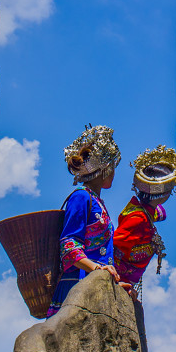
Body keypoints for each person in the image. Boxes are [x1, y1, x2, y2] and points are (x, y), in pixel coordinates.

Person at [48, 124, 122, 317]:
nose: (114, 173)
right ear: (105, 169)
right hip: (77, 285)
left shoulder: (97, 202)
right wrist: (97, 268)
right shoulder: (81, 197)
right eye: (113, 168)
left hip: (97, 283)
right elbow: (69, 246)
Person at [113, 146, 176, 301]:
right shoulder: (138, 218)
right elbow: (113, 245)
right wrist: (115, 281)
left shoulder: (145, 211)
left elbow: (161, 213)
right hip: (117, 282)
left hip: (127, 284)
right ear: (164, 193)